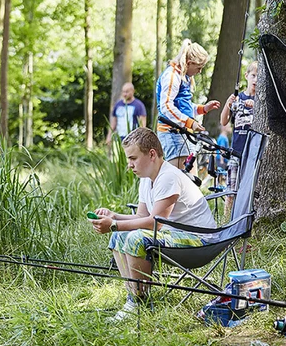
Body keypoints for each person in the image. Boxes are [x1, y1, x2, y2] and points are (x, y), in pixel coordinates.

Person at [89, 127, 217, 321]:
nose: (129, 165)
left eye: (133, 158)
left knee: (136, 238)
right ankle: (135, 298)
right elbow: (142, 215)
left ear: (151, 154)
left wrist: (113, 224)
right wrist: (114, 217)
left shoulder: (168, 177)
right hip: (176, 235)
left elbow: (153, 224)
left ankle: (137, 302)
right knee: (118, 236)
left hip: (200, 241)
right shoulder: (146, 178)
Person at [156, 39, 221, 169]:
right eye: (199, 68)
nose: (200, 71)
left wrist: (203, 108)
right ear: (189, 63)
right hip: (172, 133)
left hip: (183, 133)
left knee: (190, 177)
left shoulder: (184, 77)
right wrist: (190, 122)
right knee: (180, 177)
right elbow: (166, 107)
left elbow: (183, 106)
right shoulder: (172, 76)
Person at [219, 61, 257, 202]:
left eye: (259, 77)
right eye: (253, 75)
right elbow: (223, 121)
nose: (256, 80)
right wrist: (227, 104)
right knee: (231, 191)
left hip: (253, 154)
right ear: (246, 76)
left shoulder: (261, 101)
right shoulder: (238, 98)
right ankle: (227, 214)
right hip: (236, 151)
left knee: (250, 191)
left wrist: (255, 106)